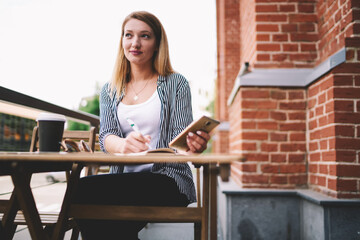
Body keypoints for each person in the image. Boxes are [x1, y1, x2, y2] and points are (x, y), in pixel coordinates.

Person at [72, 11, 210, 240]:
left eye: (145, 36)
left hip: (168, 179)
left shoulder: (176, 83)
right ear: (122, 41)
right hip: (123, 178)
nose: (135, 43)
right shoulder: (110, 89)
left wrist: (193, 145)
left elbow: (180, 139)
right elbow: (106, 135)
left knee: (89, 194)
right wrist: (123, 145)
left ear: (157, 44)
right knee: (84, 192)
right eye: (129, 35)